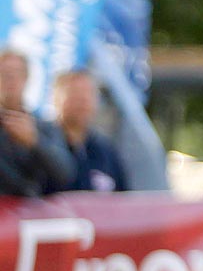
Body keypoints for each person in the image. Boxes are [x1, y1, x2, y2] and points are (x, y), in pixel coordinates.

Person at [0, 49, 74, 198]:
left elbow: (66, 174)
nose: (10, 79)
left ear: (26, 78)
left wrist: (35, 141)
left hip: (29, 213)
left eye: (16, 73)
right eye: (4, 73)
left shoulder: (44, 127)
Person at [52, 68, 129, 192]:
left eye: (87, 94)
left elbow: (122, 200)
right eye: (74, 93)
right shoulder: (42, 144)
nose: (82, 101)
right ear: (56, 98)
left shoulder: (105, 152)